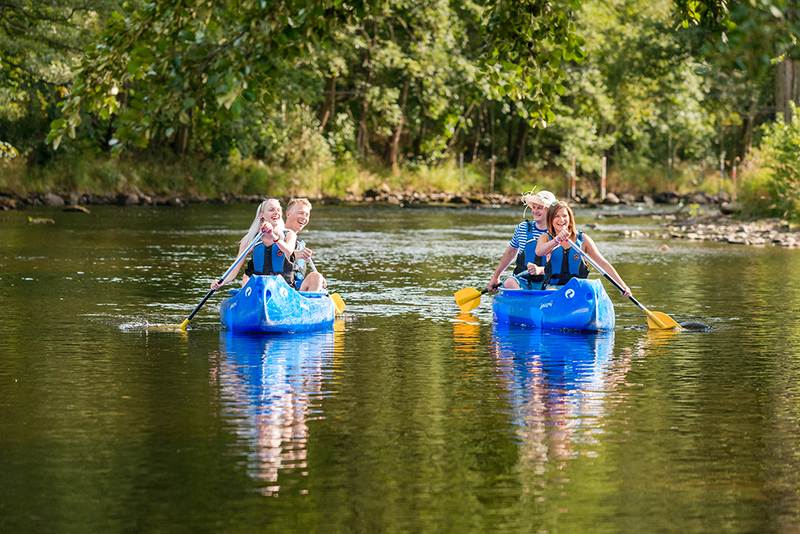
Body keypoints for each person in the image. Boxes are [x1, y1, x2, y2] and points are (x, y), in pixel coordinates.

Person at [535, 201, 631, 296]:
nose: (561, 219)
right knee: (552, 291)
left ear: (570, 218)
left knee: (590, 287)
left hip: (579, 289)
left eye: (564, 216)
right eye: (556, 216)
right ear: (551, 219)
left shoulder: (583, 239)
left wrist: (622, 286)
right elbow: (539, 251)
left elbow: (603, 264)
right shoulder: (546, 238)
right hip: (554, 289)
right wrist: (556, 240)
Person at [210, 198, 297, 290]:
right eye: (271, 210)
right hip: (259, 288)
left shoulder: (289, 234)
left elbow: (288, 251)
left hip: (283, 288)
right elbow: (235, 269)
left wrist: (272, 235)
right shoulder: (250, 240)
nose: (276, 212)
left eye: (278, 210)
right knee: (246, 279)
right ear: (261, 215)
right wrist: (221, 282)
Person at [487, 189, 558, 290]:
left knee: (552, 289)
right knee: (509, 282)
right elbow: (510, 252)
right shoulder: (523, 228)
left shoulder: (557, 233)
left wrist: (540, 270)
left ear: (550, 211)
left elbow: (559, 263)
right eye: (534, 207)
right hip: (523, 281)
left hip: (547, 282)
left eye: (540, 208)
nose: (535, 211)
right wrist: (495, 277)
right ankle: (521, 298)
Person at [284, 198, 327, 292]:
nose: (304, 217)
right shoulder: (276, 236)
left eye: (307, 215)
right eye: (300, 213)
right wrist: (295, 254)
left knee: (316, 277)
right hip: (279, 288)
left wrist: (317, 282)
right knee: (316, 277)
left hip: (296, 291)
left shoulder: (300, 245)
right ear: (288, 213)